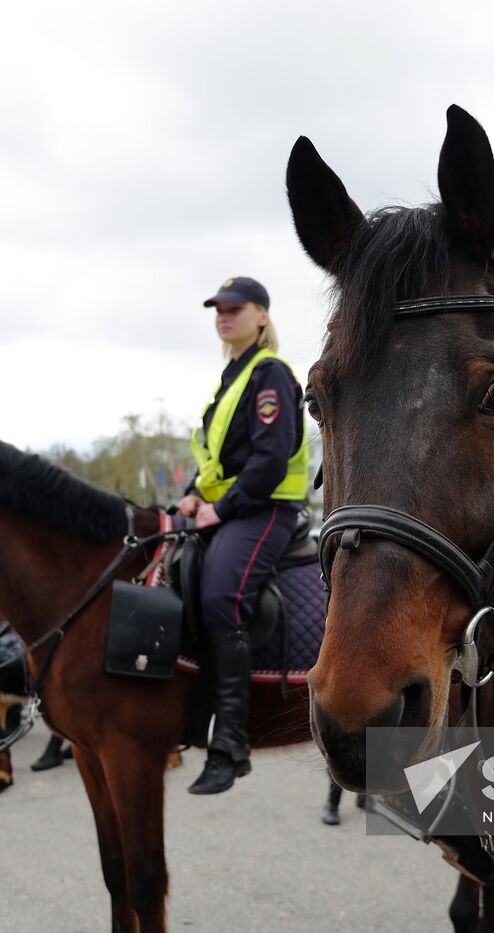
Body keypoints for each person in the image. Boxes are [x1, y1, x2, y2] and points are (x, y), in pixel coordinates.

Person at [176, 276, 308, 795]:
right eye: (218, 309)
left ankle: (230, 744)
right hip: (225, 508)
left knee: (220, 597)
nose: (223, 316)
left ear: (261, 316)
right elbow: (216, 459)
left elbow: (271, 458)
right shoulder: (230, 377)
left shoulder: (270, 373)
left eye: (234, 308)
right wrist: (191, 493)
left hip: (264, 509)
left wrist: (220, 509)